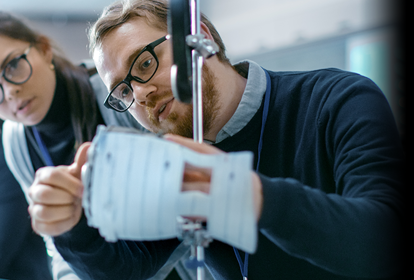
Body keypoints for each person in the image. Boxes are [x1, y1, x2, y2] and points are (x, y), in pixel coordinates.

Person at [28, 0, 406, 279]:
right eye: (123, 92)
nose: (139, 95)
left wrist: (253, 196)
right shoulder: (174, 158)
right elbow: (130, 267)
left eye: (145, 64)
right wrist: (71, 227)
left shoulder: (337, 100)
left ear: (200, 39)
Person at [0, 11, 191, 280]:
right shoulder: (14, 140)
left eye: (12, 66)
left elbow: (182, 203)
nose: (9, 92)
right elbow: (54, 238)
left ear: (43, 50)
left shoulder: (117, 91)